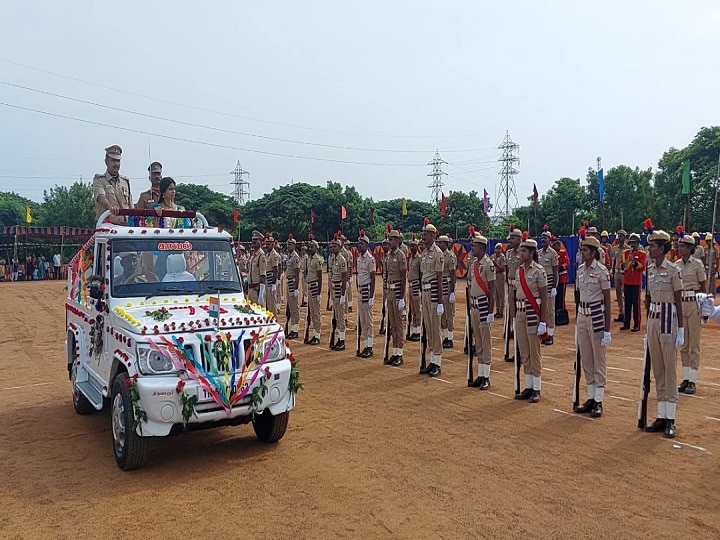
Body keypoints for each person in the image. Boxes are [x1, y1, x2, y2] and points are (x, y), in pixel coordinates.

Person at [643, 226, 684, 438]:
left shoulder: (673, 270)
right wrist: (647, 327)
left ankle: (671, 418)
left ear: (662, 248)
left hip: (669, 319)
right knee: (657, 369)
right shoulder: (649, 269)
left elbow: (678, 300)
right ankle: (661, 415)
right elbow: (649, 298)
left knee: (670, 370)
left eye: (652, 246)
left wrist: (682, 329)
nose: (649, 249)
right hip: (653, 319)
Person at [573, 235, 611, 417]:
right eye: (581, 250)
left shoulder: (602, 271)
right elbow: (578, 294)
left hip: (596, 314)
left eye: (585, 250)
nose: (582, 253)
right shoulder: (580, 270)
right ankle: (590, 397)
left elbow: (608, 300)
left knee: (598, 359)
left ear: (593, 253)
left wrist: (607, 329)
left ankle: (598, 400)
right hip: (582, 314)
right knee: (586, 358)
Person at [513, 234, 548, 403]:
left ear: (532, 252)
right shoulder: (519, 270)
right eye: (521, 250)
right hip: (520, 313)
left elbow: (544, 298)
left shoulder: (539, 271)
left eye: (524, 250)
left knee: (534, 352)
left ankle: (536, 388)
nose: (521, 253)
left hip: (533, 313)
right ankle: (528, 386)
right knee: (524, 352)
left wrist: (543, 321)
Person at [675, 234, 706, 395]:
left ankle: (693, 380)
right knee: (684, 344)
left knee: (694, 344)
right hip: (681, 304)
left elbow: (703, 287)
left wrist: (703, 307)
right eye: (679, 246)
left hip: (694, 303)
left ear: (690, 248)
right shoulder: (676, 265)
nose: (679, 249)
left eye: (683, 246)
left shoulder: (697, 265)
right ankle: (686, 378)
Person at [467, 233, 496, 390]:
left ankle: (486, 376)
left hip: (484, 305)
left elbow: (492, 290)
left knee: (485, 342)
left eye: (475, 246)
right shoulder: (474, 264)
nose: (472, 248)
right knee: (478, 341)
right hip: (474, 305)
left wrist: (491, 311)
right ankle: (480, 373)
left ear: (482, 248)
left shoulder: (488, 264)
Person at [418, 220, 445, 377]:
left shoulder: (438, 254)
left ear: (433, 236)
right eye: (423, 234)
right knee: (428, 327)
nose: (424, 237)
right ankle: (431, 359)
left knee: (435, 328)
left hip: (434, 292)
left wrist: (440, 301)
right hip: (425, 291)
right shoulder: (424, 253)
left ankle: (437, 363)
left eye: (426, 235)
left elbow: (440, 279)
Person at [384, 230, 407, 365]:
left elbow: (403, 276)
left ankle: (400, 354)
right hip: (390, 292)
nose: (389, 242)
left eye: (392, 240)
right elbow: (386, 275)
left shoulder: (400, 255)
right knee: (392, 325)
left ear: (397, 241)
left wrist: (402, 297)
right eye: (389, 240)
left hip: (397, 291)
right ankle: (394, 352)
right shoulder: (387, 256)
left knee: (398, 325)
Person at [92, 145, 132, 224]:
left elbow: (131, 206)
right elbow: (101, 197)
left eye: (118, 161)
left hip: (125, 228)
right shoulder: (99, 180)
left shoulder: (125, 182)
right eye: (113, 160)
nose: (116, 164)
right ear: (106, 162)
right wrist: (111, 208)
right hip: (107, 228)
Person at [356, 230, 376, 358]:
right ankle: (364, 344)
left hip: (367, 290)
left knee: (368, 320)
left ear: (367, 245)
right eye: (359, 244)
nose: (359, 246)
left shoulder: (370, 259)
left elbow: (373, 278)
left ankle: (369, 346)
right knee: (362, 320)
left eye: (362, 244)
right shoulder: (358, 259)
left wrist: (371, 296)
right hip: (360, 290)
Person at [621, 233, 645, 332]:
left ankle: (636, 324)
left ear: (638, 243)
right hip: (627, 281)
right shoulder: (625, 253)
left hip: (636, 282)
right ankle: (626, 323)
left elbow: (641, 267)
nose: (633, 245)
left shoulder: (642, 254)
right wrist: (628, 260)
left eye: (635, 243)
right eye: (631, 243)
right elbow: (622, 266)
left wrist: (634, 262)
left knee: (636, 304)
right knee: (627, 303)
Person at [538, 228, 559, 345]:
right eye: (542, 238)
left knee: (550, 311)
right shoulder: (539, 253)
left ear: (549, 240)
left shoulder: (553, 254)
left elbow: (555, 271)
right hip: (541, 286)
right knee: (543, 310)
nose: (543, 240)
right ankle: (544, 333)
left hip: (550, 284)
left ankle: (550, 334)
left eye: (545, 238)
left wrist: (554, 287)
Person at [437, 234, 457, 348]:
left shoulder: (450, 256)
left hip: (448, 284)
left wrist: (452, 292)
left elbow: (453, 275)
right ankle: (445, 336)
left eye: (441, 243)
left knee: (449, 313)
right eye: (439, 242)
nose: (439, 244)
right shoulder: (439, 255)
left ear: (446, 244)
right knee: (443, 314)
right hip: (441, 284)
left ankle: (450, 337)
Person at [328, 238, 348, 350]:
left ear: (340, 248)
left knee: (340, 318)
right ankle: (338, 339)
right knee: (335, 316)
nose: (333, 248)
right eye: (332, 246)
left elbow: (344, 279)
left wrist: (343, 295)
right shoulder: (333, 259)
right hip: (334, 289)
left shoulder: (342, 260)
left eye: (335, 246)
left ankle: (342, 340)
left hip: (339, 289)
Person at [305, 237, 323, 345]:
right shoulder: (309, 259)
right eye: (310, 246)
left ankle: (317, 335)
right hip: (309, 286)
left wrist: (319, 293)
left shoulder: (318, 260)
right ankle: (314, 334)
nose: (310, 248)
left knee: (316, 313)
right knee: (311, 312)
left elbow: (320, 277)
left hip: (315, 287)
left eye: (312, 247)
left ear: (316, 248)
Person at [611, 229, 629, 322]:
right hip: (617, 273)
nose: (619, 238)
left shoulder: (628, 249)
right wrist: (612, 271)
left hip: (624, 273)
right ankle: (621, 312)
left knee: (624, 294)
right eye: (618, 236)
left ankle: (626, 313)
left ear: (624, 237)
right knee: (618, 294)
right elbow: (613, 261)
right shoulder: (615, 249)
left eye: (621, 236)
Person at [406, 235, 422, 341]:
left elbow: (421, 274)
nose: (411, 248)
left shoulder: (419, 258)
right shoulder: (411, 258)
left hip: (416, 285)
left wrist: (420, 288)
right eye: (410, 246)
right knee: (412, 309)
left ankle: (418, 331)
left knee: (417, 309)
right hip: (410, 285)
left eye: (413, 246)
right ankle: (414, 330)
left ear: (417, 247)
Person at [285, 235, 301, 339]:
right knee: (290, 307)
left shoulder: (295, 257)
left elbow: (297, 273)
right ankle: (292, 328)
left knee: (294, 308)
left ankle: (295, 329)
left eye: (290, 244)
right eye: (287, 244)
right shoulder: (289, 256)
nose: (288, 246)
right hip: (288, 282)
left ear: (294, 246)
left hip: (293, 282)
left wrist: (296, 288)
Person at [247, 230, 267, 306]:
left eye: (256, 240)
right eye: (253, 240)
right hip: (251, 289)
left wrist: (261, 293)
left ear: (260, 242)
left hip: (257, 290)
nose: (253, 241)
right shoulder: (253, 256)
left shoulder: (261, 256)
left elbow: (263, 275)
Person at [262, 235, 281, 315]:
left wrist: (273, 283)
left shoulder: (274, 255)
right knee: (268, 303)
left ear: (273, 245)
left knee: (272, 304)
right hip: (267, 279)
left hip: (271, 280)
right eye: (266, 244)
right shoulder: (267, 254)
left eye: (269, 244)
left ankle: (274, 319)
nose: (267, 246)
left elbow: (275, 270)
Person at [553, 237, 570, 313]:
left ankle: (561, 313)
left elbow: (567, 263)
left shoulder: (563, 252)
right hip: (554, 278)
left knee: (561, 297)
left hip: (562, 277)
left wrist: (561, 267)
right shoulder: (551, 253)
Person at [491, 243, 507, 318]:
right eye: (496, 248)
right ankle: (497, 310)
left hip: (500, 276)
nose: (497, 250)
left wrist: (496, 264)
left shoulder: (502, 257)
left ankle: (501, 311)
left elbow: (503, 268)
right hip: (494, 276)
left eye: (499, 248)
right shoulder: (493, 256)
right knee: (496, 295)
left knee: (501, 294)